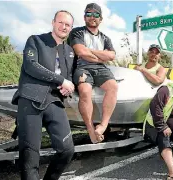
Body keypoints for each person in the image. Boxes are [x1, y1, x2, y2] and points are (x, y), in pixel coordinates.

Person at [11, 10, 75, 180]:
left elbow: (68, 78)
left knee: (67, 150)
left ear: (71, 28)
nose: (63, 26)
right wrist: (61, 80)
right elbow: (31, 66)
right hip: (30, 98)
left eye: (67, 24)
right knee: (30, 156)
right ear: (53, 22)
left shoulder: (69, 51)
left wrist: (68, 86)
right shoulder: (35, 40)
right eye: (60, 22)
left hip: (54, 101)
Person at [67, 3, 117, 144]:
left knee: (113, 86)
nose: (92, 17)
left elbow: (112, 56)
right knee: (85, 90)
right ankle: (90, 129)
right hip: (82, 67)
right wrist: (102, 56)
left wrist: (90, 51)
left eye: (96, 15)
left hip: (101, 69)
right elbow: (80, 52)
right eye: (89, 14)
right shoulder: (76, 32)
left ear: (100, 19)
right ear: (84, 17)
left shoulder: (105, 38)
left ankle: (103, 125)